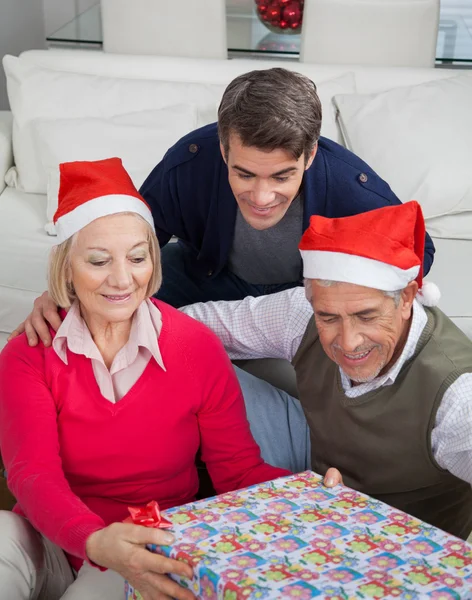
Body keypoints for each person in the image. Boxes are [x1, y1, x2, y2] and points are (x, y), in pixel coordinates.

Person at [0, 158, 292, 600]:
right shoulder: (27, 354)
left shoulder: (197, 348)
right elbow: (32, 474)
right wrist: (91, 539)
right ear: (66, 269)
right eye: (99, 261)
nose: (122, 279)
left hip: (147, 539)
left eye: (137, 258)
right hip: (53, 534)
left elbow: (237, 471)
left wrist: (306, 497)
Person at [9, 67, 435, 346]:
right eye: (245, 174)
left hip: (299, 294)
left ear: (309, 156)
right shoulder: (189, 162)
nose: (263, 197)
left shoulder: (347, 181)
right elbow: (131, 237)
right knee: (85, 313)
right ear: (223, 149)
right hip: (205, 275)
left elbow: (421, 251)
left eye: (282, 176)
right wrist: (61, 293)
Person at [182, 201, 472, 540]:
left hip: (392, 544)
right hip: (314, 455)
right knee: (190, 352)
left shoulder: (459, 398)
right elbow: (192, 325)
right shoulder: (301, 311)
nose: (348, 343)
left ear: (407, 297)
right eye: (328, 318)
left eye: (366, 316)